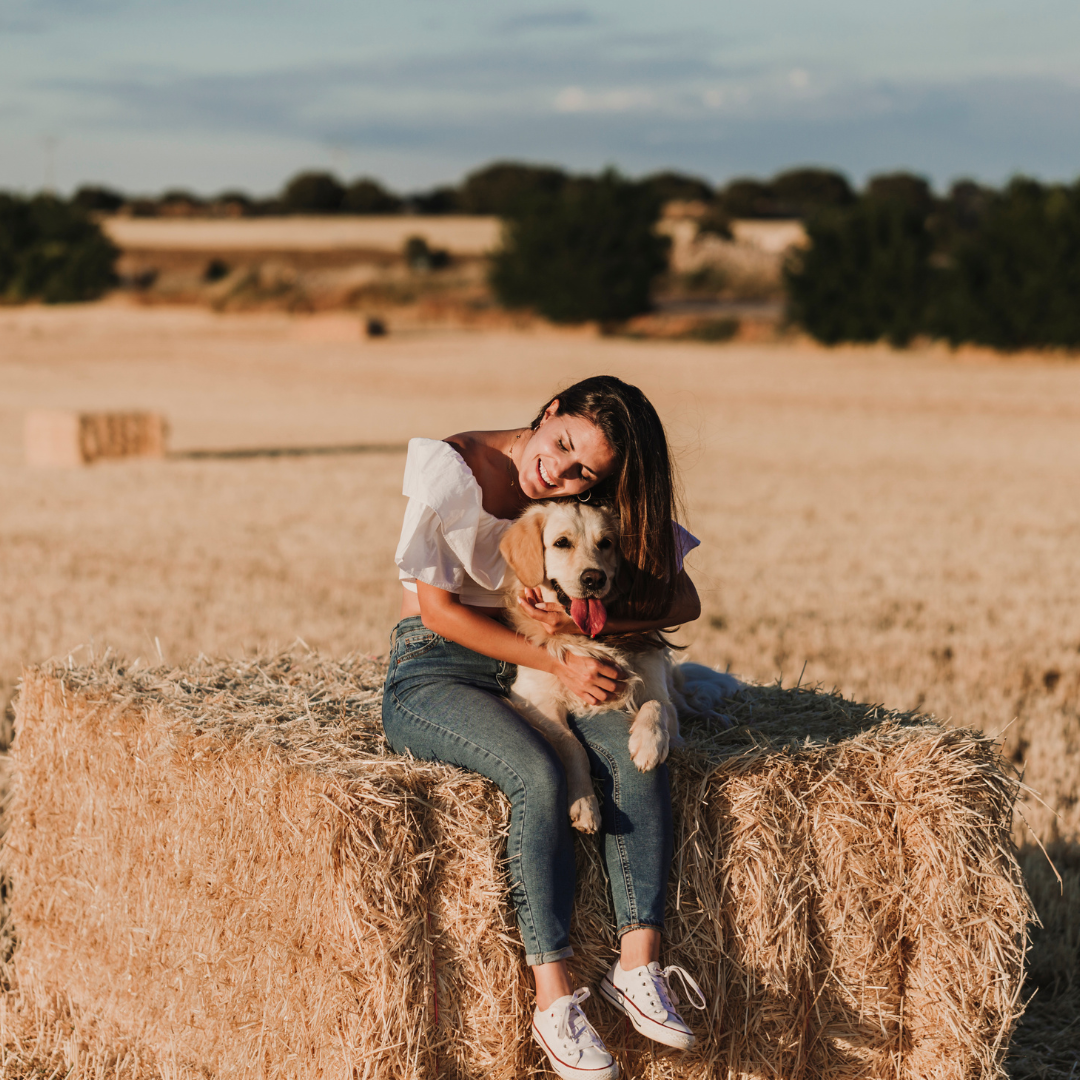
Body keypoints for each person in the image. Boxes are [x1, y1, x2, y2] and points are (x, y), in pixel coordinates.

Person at [381, 376, 706, 1080]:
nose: (558, 470)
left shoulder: (586, 507)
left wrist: (584, 635)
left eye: (583, 468)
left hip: (545, 654)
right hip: (439, 668)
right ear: (549, 409)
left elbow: (684, 595)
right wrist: (555, 657)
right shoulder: (454, 468)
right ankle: (554, 1000)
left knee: (634, 752)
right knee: (536, 771)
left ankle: (639, 965)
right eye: (561, 444)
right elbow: (439, 613)